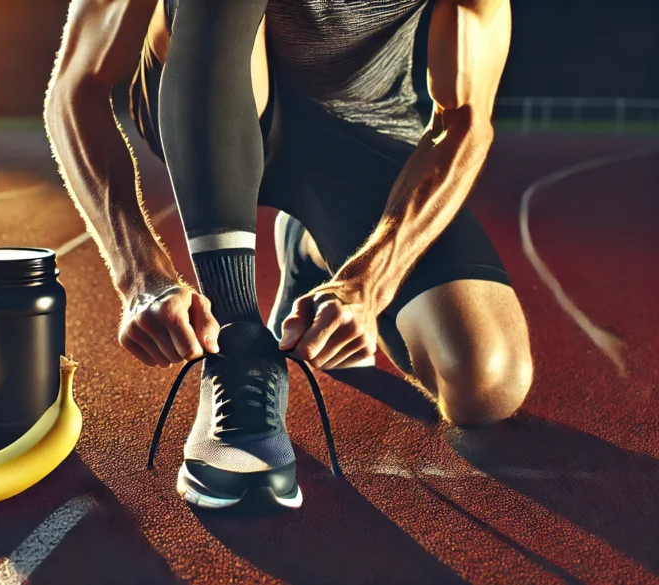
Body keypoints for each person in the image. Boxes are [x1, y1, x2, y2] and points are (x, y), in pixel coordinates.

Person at [44, 0, 532, 509]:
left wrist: (370, 280)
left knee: (487, 382)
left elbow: (465, 118)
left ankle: (309, 247)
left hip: (359, 135)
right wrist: (139, 273)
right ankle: (238, 345)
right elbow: (76, 85)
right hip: (208, 95)